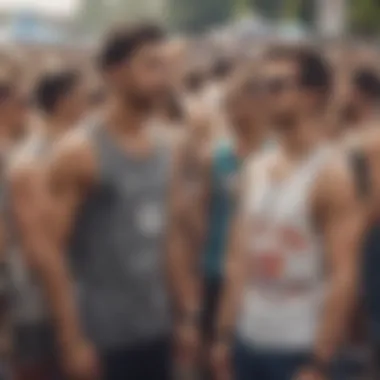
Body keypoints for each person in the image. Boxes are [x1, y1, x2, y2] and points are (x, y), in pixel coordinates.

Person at [40, 24, 190, 380]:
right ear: (115, 73)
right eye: (150, 65)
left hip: (155, 328)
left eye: (164, 65)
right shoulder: (80, 152)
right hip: (102, 338)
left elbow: (169, 238)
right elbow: (50, 254)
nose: (162, 76)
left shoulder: (166, 146)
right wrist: (72, 340)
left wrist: (186, 316)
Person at [212, 47, 366, 380]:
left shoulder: (331, 175)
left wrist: (319, 361)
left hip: (299, 346)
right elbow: (238, 258)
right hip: (248, 339)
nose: (267, 96)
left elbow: (343, 275)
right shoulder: (255, 167)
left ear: (313, 95)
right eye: (264, 87)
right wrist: (224, 336)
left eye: (279, 86)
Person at [7, 68, 87, 380]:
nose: (89, 104)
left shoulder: (79, 149)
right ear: (64, 101)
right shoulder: (32, 157)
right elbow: (37, 250)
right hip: (38, 299)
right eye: (83, 96)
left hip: (78, 291)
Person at [198, 71, 269, 379]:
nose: (233, 112)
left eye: (238, 103)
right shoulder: (216, 156)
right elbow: (201, 213)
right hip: (215, 269)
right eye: (228, 105)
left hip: (260, 277)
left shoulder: (275, 156)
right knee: (214, 359)